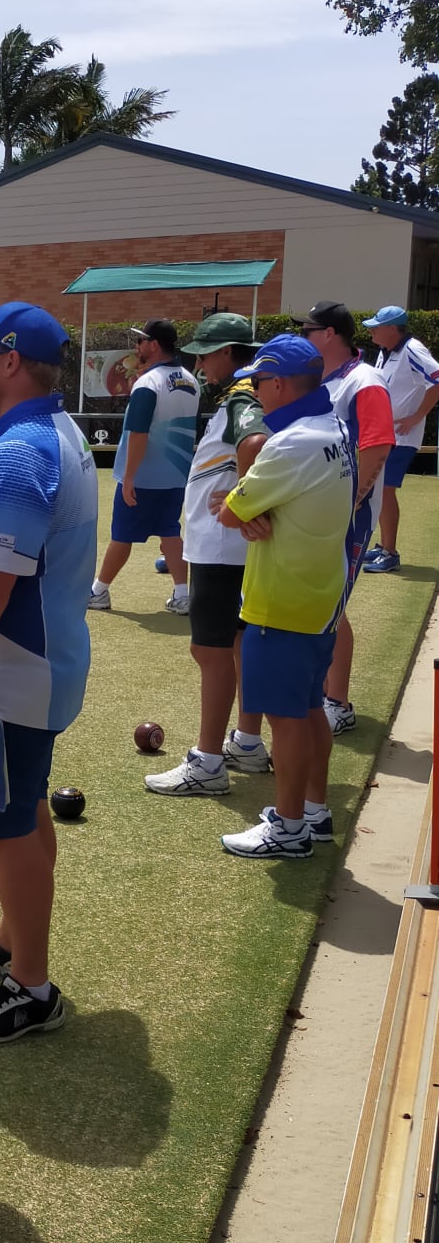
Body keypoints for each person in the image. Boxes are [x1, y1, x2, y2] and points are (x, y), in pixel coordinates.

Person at [0, 301, 97, 1043]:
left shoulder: (18, 453)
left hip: (13, 675)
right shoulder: (60, 430)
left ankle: (30, 987)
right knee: (26, 808)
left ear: (8, 361)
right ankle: (13, 936)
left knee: (7, 829)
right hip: (48, 662)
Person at [210, 335, 356, 859]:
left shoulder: (290, 443)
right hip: (320, 595)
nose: (255, 391)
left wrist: (237, 507)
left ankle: (289, 827)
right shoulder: (334, 425)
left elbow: (230, 510)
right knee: (309, 708)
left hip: (282, 600)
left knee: (287, 719)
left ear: (280, 384)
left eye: (259, 381)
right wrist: (250, 509)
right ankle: (313, 811)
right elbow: (252, 509)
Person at [145, 313, 272, 797]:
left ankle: (208, 762)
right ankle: (247, 743)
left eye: (205, 354)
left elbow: (255, 443)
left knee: (210, 649)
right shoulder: (249, 391)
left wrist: (246, 500)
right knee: (237, 643)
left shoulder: (241, 396)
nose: (199, 363)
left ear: (227, 352)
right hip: (227, 546)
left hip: (221, 547)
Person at [301, 301, 393, 737]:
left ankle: (337, 703)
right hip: (315, 511)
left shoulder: (364, 380)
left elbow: (378, 444)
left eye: (308, 330)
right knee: (320, 602)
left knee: (332, 607)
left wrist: (352, 501)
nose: (303, 336)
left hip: (347, 516)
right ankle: (323, 692)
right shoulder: (323, 378)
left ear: (329, 334)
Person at [88, 320, 199, 614]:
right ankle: (182, 594)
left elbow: (139, 433)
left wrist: (129, 477)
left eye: (141, 341)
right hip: (177, 474)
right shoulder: (192, 380)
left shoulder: (148, 383)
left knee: (122, 535)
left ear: (154, 344)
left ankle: (98, 591)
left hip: (143, 477)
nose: (137, 347)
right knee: (170, 531)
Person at [363, 305, 439, 574]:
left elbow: (437, 379)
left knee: (385, 491)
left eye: (376, 327)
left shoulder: (412, 349)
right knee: (379, 491)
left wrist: (416, 416)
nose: (371, 331)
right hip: (386, 434)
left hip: (401, 437)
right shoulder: (387, 352)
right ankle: (384, 546)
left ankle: (390, 552)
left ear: (391, 328)